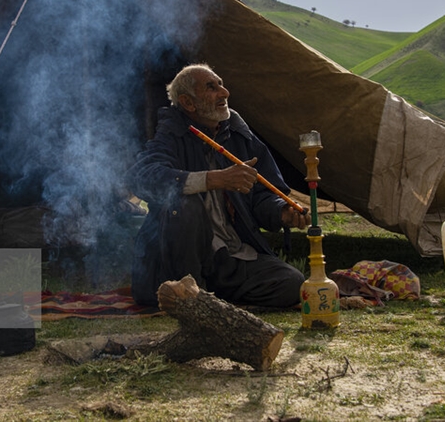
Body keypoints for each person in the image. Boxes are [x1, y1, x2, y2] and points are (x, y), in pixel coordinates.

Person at [127, 64, 310, 307]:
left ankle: (211, 300)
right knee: (185, 203)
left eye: (221, 85)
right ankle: (190, 295)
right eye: (211, 88)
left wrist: (281, 211)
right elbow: (141, 177)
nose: (224, 93)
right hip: (182, 262)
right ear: (188, 103)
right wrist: (214, 179)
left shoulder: (238, 134)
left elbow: (263, 195)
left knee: (293, 283)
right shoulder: (172, 134)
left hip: (231, 255)